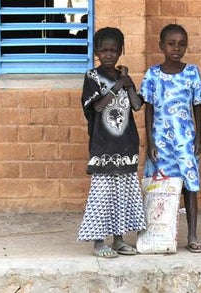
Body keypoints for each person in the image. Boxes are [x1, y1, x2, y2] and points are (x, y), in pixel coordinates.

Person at [78, 26, 147, 258]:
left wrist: (127, 84)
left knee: (123, 195)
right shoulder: (92, 77)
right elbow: (96, 106)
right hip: (103, 146)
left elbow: (137, 106)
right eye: (104, 50)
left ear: (121, 51)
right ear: (96, 51)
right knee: (102, 196)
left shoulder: (123, 77)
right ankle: (99, 242)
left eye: (114, 50)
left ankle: (118, 240)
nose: (109, 55)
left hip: (126, 145)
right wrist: (116, 87)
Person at [141, 23, 201, 253]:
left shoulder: (192, 72)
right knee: (158, 188)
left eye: (181, 44)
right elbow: (148, 108)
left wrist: (199, 137)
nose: (176, 49)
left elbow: (197, 106)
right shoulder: (152, 74)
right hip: (160, 143)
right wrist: (149, 141)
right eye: (171, 44)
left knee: (190, 188)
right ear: (161, 46)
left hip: (185, 141)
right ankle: (157, 234)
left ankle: (192, 235)